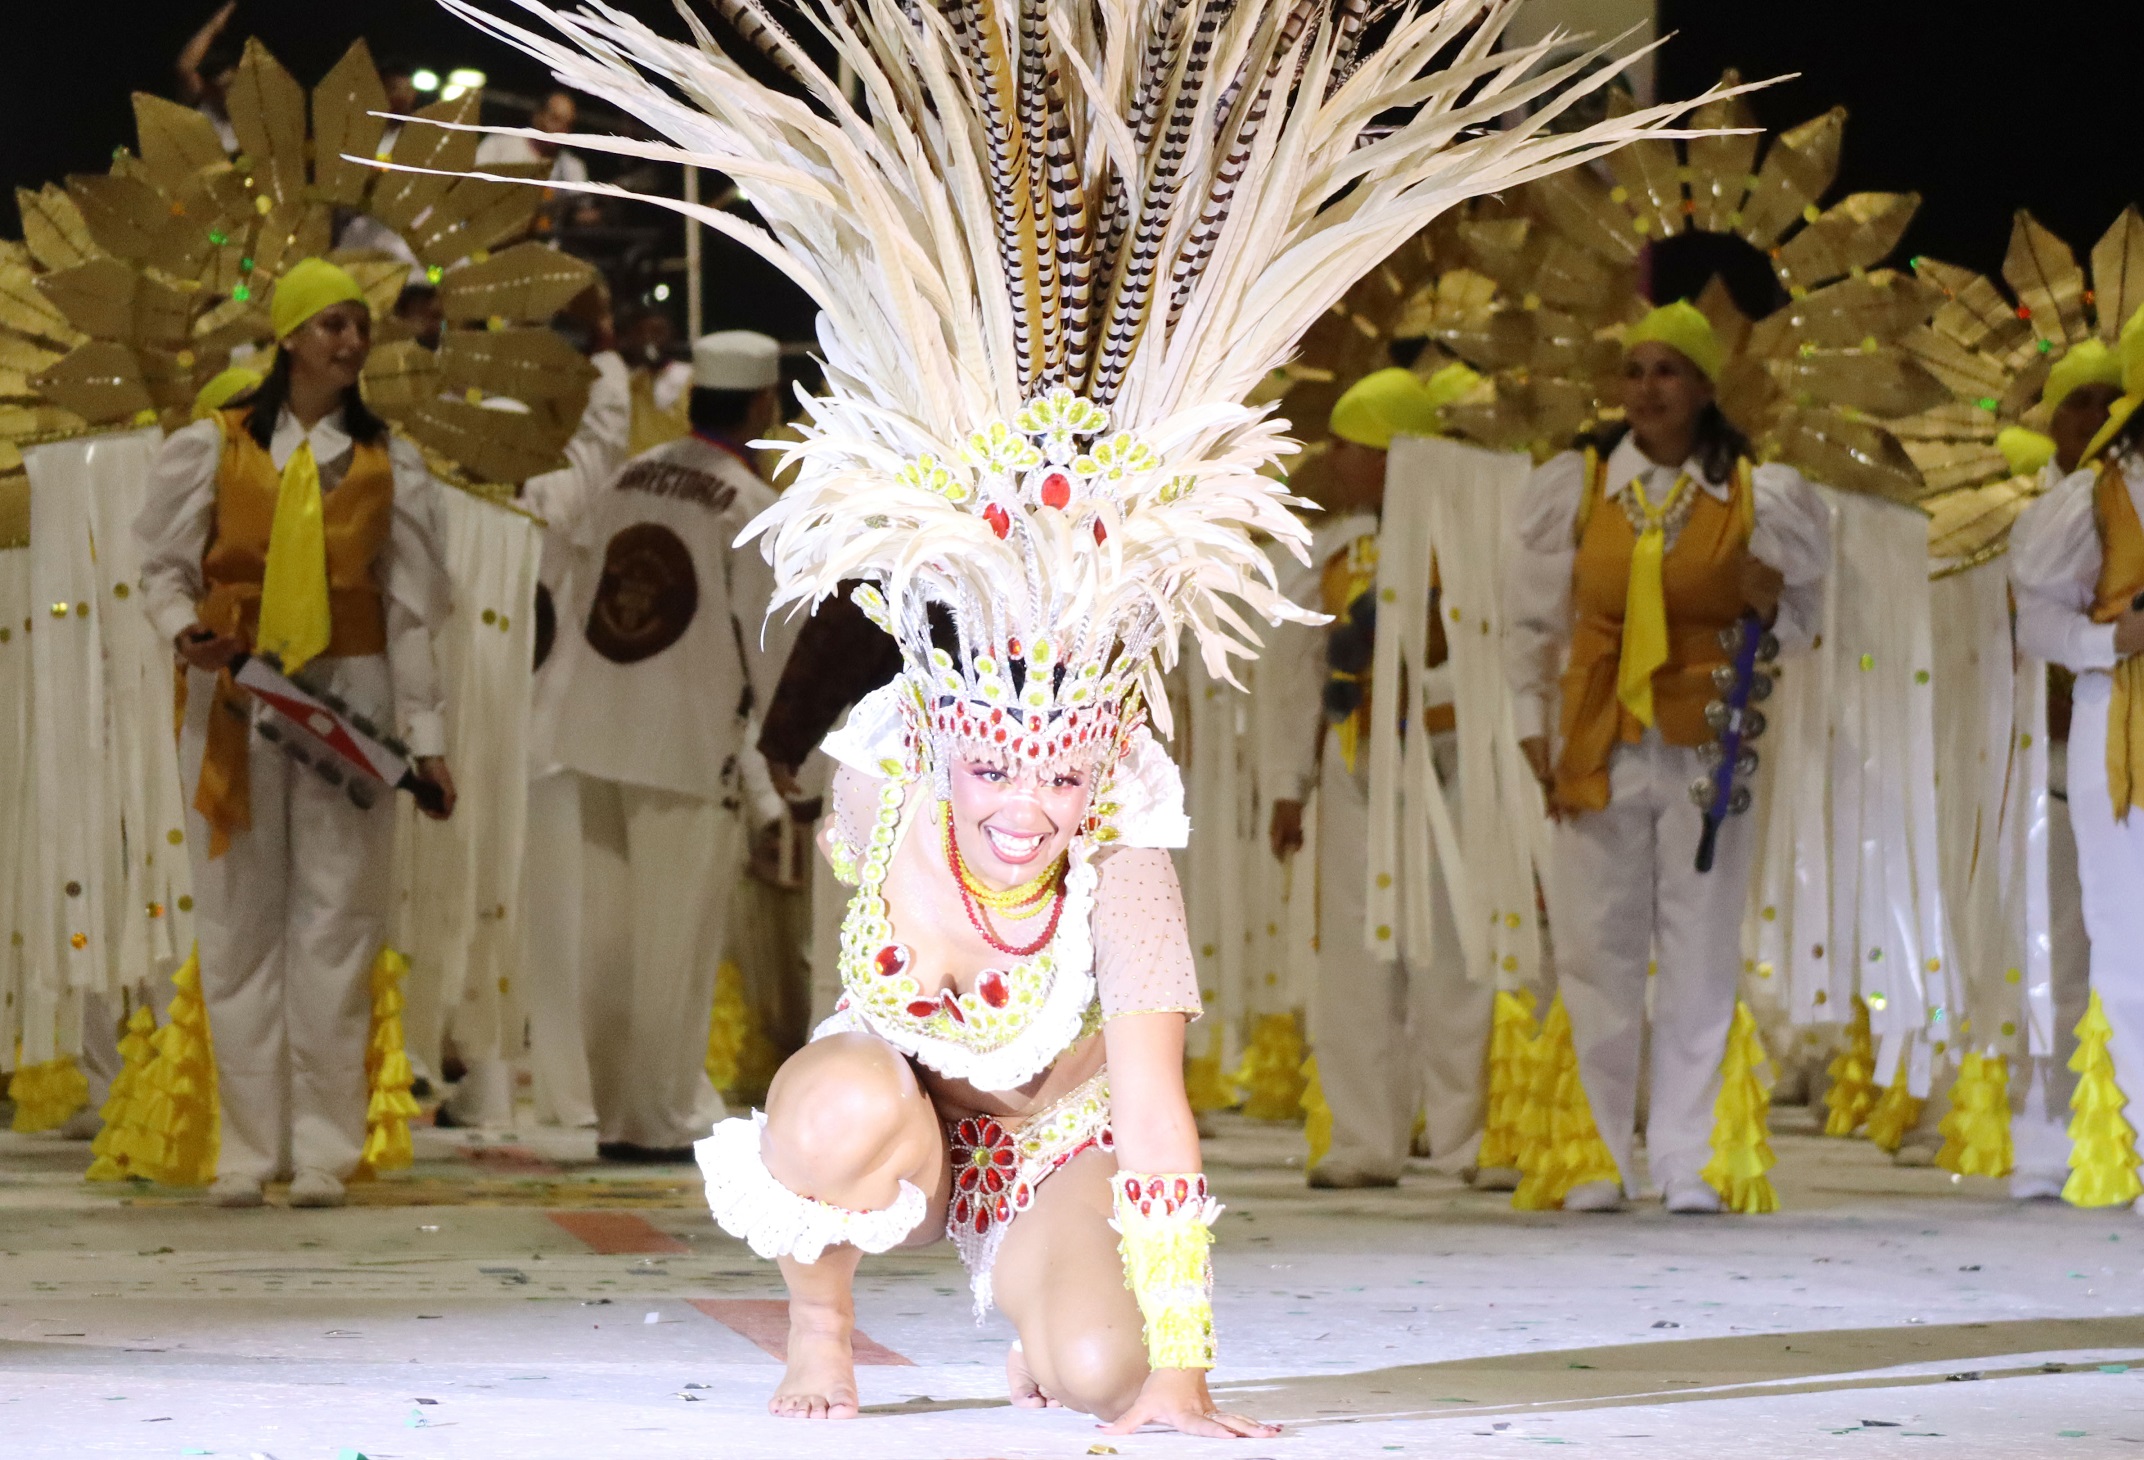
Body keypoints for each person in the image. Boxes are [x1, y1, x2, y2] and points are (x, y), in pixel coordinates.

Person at [465, 0, 1725, 1434]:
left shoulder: (1127, 823)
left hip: (1055, 1151)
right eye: (997, 762)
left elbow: (1157, 1108)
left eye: (1057, 774)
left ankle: (1043, 1312)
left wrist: (1179, 1382)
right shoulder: (892, 771)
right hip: (907, 1129)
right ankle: (821, 1327)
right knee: (826, 1113)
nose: (1025, 802)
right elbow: (850, 1020)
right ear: (946, 736)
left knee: (1102, 1380)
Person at [134, 257, 457, 1209]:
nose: (351, 341)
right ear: (288, 337)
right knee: (237, 925)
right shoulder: (214, 445)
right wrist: (176, 630)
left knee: (338, 922)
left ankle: (323, 1147)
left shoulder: (391, 463)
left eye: (359, 325)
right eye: (332, 325)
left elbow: (412, 613)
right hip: (235, 694)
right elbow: (158, 568)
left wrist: (424, 737)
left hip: (348, 699)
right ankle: (246, 1149)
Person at [1504, 301, 1829, 1214]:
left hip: (1710, 752)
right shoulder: (1575, 486)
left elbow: (1804, 628)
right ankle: (1598, 1157)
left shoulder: (1763, 495)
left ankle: (1689, 1161)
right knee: (1594, 952)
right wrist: (1532, 725)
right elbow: (1530, 624)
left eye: (1669, 371)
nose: (1649, 389)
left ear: (1703, 388)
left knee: (1700, 954)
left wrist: (1772, 602)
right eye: (1636, 371)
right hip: (1597, 743)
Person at [529, 329, 795, 1161]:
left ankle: (616, 1115)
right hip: (684, 745)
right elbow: (772, 648)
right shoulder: (747, 507)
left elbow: (570, 589)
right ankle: (659, 1119)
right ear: (762, 407)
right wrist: (783, 763)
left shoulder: (624, 477)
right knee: (673, 942)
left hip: (591, 725)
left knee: (606, 938)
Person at [1266, 364, 1495, 1188]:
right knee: (1353, 967)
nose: (1336, 459)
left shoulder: (1467, 542)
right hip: (1355, 773)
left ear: (1398, 455)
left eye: (1351, 445)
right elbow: (1292, 673)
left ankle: (1469, 1138)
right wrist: (1287, 784)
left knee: (1455, 957)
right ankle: (1365, 1140)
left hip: (1451, 768)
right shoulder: (1327, 552)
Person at [2010, 307, 2144, 1206]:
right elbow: (2038, 616)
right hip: (2120, 728)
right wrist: (2111, 641)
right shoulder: (2101, 492)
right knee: (2131, 949)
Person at [175, 1, 242, 152]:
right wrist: (214, 26)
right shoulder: (201, 107)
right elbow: (184, 67)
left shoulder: (252, 112)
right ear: (209, 88)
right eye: (226, 87)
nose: (233, 93)